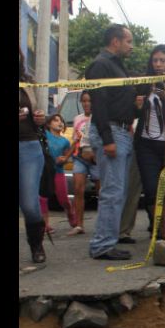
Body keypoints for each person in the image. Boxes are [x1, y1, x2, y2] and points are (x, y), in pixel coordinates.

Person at [84, 24, 138, 260]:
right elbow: (99, 103)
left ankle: (108, 241)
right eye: (129, 41)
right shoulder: (101, 65)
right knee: (112, 192)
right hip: (112, 133)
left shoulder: (117, 66)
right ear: (115, 41)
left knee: (118, 192)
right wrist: (108, 139)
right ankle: (102, 245)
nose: (131, 46)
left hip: (122, 132)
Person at [134, 45, 165, 238]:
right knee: (150, 188)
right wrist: (138, 106)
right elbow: (132, 112)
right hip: (146, 143)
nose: (158, 64)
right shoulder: (144, 83)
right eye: (155, 60)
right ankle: (156, 226)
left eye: (162, 60)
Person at [19, 47, 49, 263]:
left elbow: (40, 113)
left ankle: (37, 246)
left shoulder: (27, 82)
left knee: (30, 205)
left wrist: (39, 118)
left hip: (28, 146)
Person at [38, 113, 77, 234]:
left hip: (58, 172)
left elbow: (66, 158)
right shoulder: (44, 135)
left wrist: (64, 158)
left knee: (63, 200)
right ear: (49, 124)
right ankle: (45, 225)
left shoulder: (65, 141)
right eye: (55, 120)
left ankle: (71, 214)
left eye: (61, 121)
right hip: (44, 172)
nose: (59, 123)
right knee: (43, 198)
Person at [69, 90, 101, 236]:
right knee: (77, 189)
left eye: (89, 101)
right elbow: (76, 139)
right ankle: (79, 225)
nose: (86, 104)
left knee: (102, 192)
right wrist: (66, 156)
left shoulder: (100, 117)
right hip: (80, 157)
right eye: (84, 101)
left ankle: (103, 224)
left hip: (97, 159)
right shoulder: (77, 119)